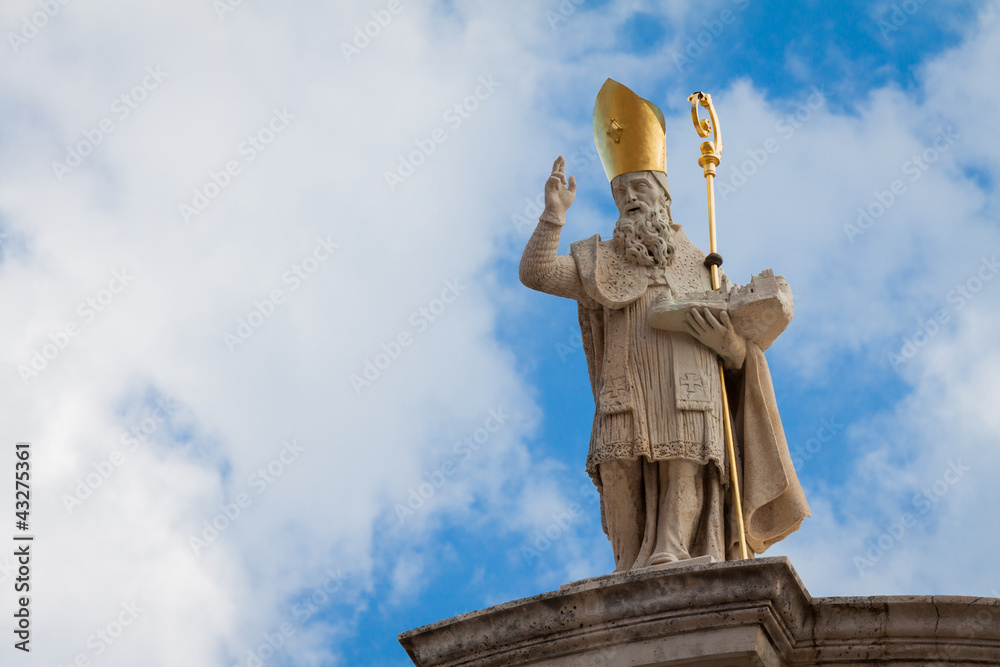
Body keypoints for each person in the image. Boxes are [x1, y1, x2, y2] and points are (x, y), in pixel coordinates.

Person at [519, 79, 808, 571]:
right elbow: (538, 273)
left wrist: (730, 345)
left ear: (664, 194)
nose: (631, 197)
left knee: (685, 467)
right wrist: (553, 217)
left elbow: (740, 354)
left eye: (641, 187)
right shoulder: (600, 258)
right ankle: (628, 565)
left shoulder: (704, 265)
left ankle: (675, 550)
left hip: (690, 384)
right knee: (618, 468)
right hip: (626, 381)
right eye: (621, 191)